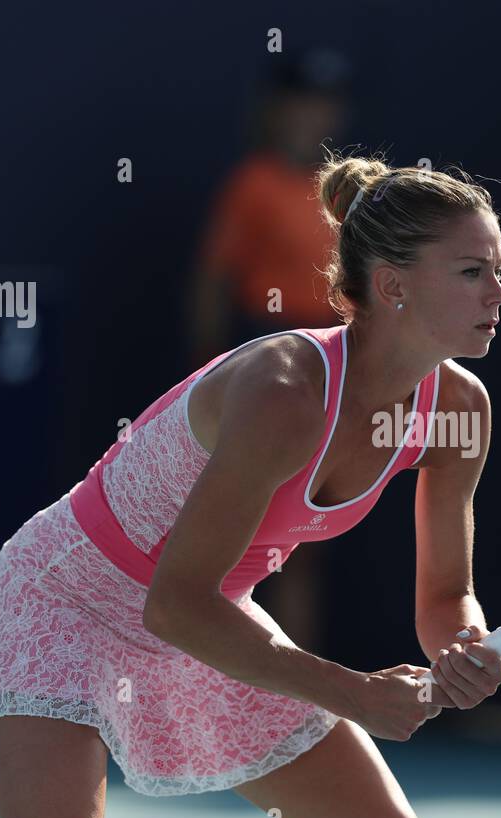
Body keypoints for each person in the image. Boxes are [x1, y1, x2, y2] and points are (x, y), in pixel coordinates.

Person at [0, 150, 501, 818]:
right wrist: (356, 693)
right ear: (393, 284)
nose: (499, 293)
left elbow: (447, 594)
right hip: (69, 600)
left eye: (497, 269)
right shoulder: (283, 391)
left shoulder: (460, 410)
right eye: (471, 272)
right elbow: (174, 606)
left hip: (208, 614)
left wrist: (463, 645)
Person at [188, 49, 352, 661]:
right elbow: (212, 278)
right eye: (300, 103)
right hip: (267, 359)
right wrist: (210, 370)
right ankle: (223, 679)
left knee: (305, 542)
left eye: (324, 104)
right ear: (275, 110)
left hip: (334, 366)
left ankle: (292, 694)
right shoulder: (252, 184)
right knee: (240, 533)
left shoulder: (344, 190)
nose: (312, 116)